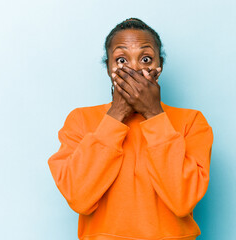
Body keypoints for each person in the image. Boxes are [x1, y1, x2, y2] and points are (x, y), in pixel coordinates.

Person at [47, 17, 214, 240]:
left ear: (159, 67)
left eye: (145, 59)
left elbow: (182, 200)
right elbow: (79, 198)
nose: (134, 69)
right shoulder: (80, 121)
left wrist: (154, 114)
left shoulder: (191, 121)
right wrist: (116, 115)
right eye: (122, 60)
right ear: (108, 68)